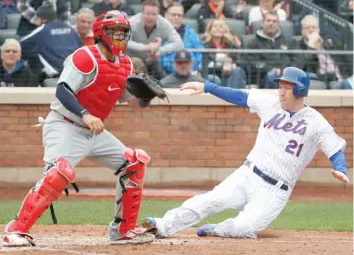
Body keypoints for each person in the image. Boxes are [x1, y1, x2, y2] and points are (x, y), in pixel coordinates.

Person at [2, 10, 155, 247]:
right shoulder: (84, 56)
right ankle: (15, 230)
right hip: (65, 124)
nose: (118, 36)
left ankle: (123, 231)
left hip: (94, 130)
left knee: (134, 162)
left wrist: (145, 97)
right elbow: (63, 90)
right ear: (100, 34)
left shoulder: (125, 64)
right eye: (113, 31)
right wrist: (85, 114)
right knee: (58, 173)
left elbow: (126, 97)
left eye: (123, 32)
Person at [142, 67, 350, 239]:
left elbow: (334, 149)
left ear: (301, 91)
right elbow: (239, 96)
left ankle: (220, 229)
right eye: (281, 86)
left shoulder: (315, 121)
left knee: (245, 228)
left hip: (275, 190)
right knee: (209, 200)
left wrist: (340, 169)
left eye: (288, 87)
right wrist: (207, 87)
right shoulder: (271, 104)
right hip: (248, 174)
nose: (282, 91)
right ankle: (162, 225)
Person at [20, 2, 82, 85]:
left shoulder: (42, 29)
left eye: (37, 18)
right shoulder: (70, 29)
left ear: (44, 19)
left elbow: (18, 45)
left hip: (55, 79)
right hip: (76, 76)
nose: (36, 21)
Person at [289, 15, 353, 89]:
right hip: (321, 80)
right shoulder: (298, 46)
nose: (311, 29)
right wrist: (311, 47)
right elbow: (298, 67)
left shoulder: (330, 40)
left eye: (314, 27)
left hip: (341, 78)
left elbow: (345, 59)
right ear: (302, 31)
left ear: (318, 29)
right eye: (307, 27)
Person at [127, 0, 183, 80]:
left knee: (161, 77)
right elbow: (124, 41)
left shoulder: (164, 23)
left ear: (158, 14)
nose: (150, 17)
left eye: (154, 14)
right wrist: (144, 47)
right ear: (142, 13)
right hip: (132, 61)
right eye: (148, 14)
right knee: (137, 63)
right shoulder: (132, 22)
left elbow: (179, 44)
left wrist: (159, 51)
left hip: (152, 61)